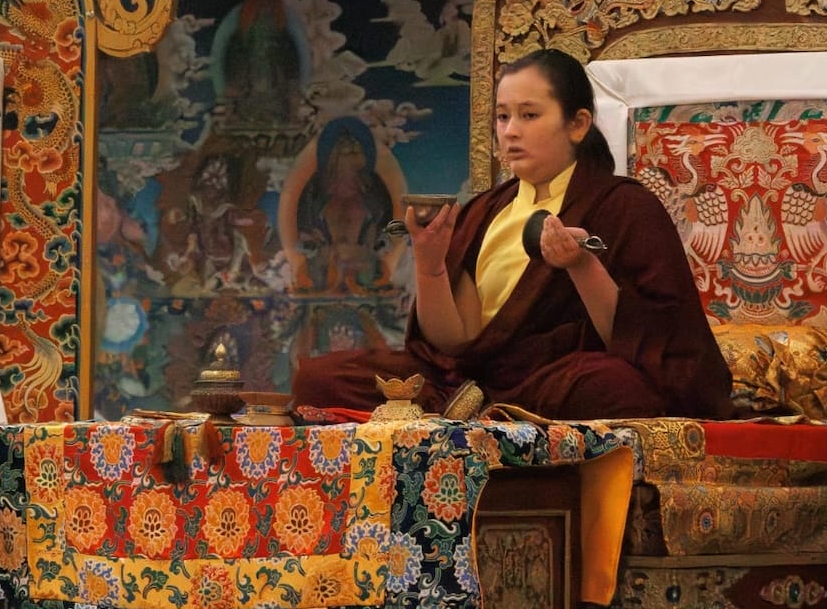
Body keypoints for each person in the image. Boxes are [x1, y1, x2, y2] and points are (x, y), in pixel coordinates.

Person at [292, 48, 733, 421]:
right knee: (318, 378)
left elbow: (655, 343)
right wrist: (430, 266)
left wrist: (581, 265)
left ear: (578, 124)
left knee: (612, 387)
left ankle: (480, 415)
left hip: (549, 382)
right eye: (503, 117)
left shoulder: (624, 206)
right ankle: (483, 415)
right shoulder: (485, 211)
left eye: (529, 115)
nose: (511, 131)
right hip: (465, 385)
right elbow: (453, 343)